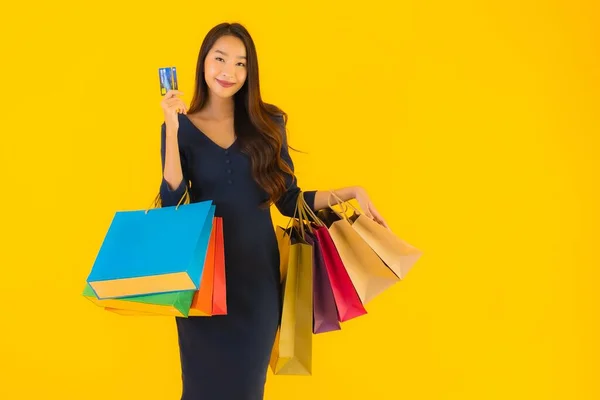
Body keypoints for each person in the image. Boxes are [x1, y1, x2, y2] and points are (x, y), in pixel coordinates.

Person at [158, 22, 388, 400]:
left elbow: (288, 200)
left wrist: (350, 192)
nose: (228, 72)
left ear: (250, 72)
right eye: (220, 59)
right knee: (199, 391)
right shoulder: (179, 128)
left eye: (240, 63)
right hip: (202, 285)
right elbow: (173, 205)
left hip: (257, 286)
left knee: (248, 390)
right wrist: (171, 126)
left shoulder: (268, 125)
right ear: (203, 62)